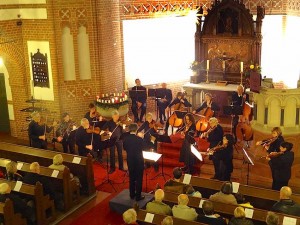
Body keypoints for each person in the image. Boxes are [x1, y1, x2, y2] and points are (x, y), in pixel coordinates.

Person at [123, 123, 145, 201]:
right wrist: (142, 137)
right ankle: (138, 196)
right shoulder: (139, 139)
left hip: (130, 160)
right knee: (139, 178)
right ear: (136, 130)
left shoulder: (125, 139)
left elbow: (125, 148)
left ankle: (132, 194)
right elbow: (144, 147)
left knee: (132, 178)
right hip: (139, 161)